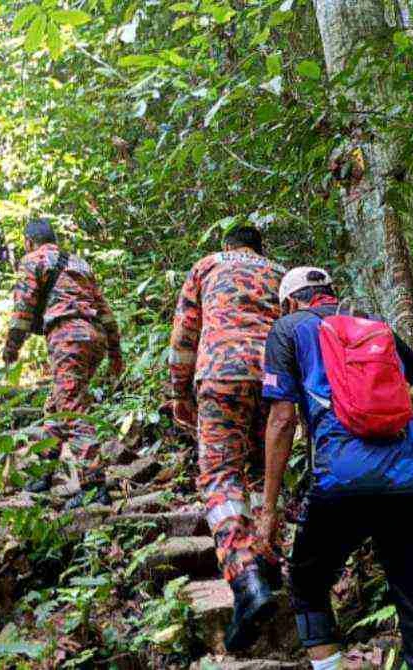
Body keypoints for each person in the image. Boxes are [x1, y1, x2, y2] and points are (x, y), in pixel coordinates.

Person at [258, 267, 413, 670]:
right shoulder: (374, 327)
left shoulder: (288, 329)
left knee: (309, 583)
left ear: (289, 303)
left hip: (342, 482)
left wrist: (268, 510)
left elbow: (282, 419)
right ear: (330, 294)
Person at [167, 225, 286, 651]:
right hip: (275, 381)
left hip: (221, 375)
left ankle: (246, 579)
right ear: (259, 249)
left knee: (220, 477)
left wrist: (179, 392)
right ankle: (268, 560)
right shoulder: (280, 273)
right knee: (263, 472)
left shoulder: (208, 265)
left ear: (228, 246)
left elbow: (184, 334)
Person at [2, 217, 124, 505]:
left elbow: (23, 308)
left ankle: (94, 487)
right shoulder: (79, 263)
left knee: (71, 409)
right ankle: (44, 472)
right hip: (94, 337)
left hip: (67, 336)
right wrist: (115, 352)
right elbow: (104, 310)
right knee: (56, 404)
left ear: (28, 242)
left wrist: (11, 348)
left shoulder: (33, 259)